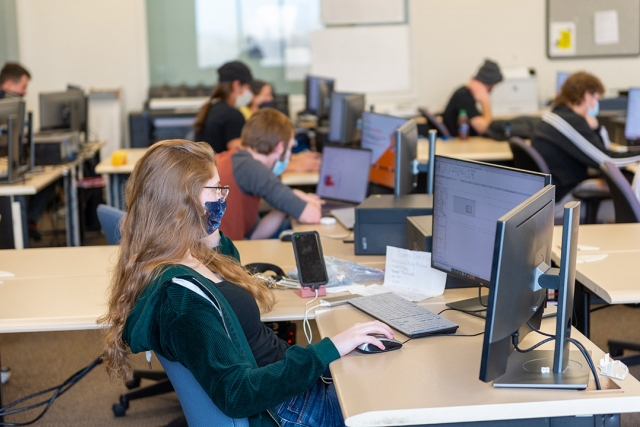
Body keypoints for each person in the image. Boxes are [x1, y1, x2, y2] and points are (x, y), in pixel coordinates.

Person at [99, 139, 393, 427]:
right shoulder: (180, 300)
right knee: (407, 400)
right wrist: (327, 350)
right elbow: (237, 392)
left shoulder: (187, 255)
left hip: (290, 388)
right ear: (182, 204)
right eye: (215, 189)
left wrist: (208, 235)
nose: (223, 198)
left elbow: (230, 271)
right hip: (290, 410)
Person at [531, 71, 640, 209]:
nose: (597, 104)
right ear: (587, 95)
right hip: (565, 203)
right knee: (631, 200)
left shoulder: (556, 115)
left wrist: (596, 129)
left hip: (554, 197)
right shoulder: (570, 123)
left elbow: (601, 154)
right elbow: (608, 162)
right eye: (597, 98)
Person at [217, 108, 324, 240]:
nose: (289, 154)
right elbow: (312, 215)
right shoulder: (251, 168)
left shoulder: (236, 158)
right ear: (279, 147)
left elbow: (255, 235)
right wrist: (297, 198)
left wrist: (285, 205)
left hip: (228, 247)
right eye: (290, 148)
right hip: (223, 255)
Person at [194, 61, 254, 154]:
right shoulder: (233, 115)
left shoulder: (211, 109)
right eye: (247, 88)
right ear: (236, 85)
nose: (249, 93)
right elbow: (241, 154)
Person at [442, 59, 503, 137]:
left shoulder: (464, 93)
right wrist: (485, 101)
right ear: (492, 84)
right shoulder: (463, 97)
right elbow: (485, 128)